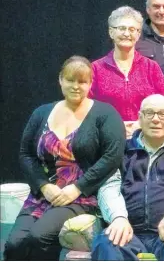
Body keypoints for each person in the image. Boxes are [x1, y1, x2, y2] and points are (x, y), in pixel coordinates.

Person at [4, 56, 125, 260]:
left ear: (90, 83)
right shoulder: (41, 112)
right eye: (70, 80)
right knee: (14, 243)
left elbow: (112, 158)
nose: (76, 86)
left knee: (39, 236)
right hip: (43, 193)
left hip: (82, 195)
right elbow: (26, 154)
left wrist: (77, 187)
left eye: (82, 81)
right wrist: (43, 186)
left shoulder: (105, 114)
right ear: (60, 80)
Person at [92, 94, 164, 261]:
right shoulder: (120, 150)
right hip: (128, 231)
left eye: (162, 114)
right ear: (140, 118)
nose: (156, 119)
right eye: (149, 113)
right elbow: (109, 186)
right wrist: (118, 217)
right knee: (108, 239)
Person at [89, 6, 164, 138]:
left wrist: (141, 124)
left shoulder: (151, 67)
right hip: (106, 137)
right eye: (121, 28)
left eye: (132, 29)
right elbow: (87, 108)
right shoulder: (95, 69)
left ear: (138, 35)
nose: (127, 34)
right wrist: (115, 125)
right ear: (111, 32)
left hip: (146, 136)